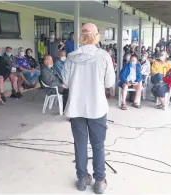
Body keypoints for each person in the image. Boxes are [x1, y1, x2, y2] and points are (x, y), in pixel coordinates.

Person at [62, 23, 115, 194]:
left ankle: (82, 179)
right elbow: (109, 83)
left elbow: (66, 82)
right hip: (97, 107)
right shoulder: (104, 56)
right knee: (98, 144)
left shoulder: (71, 57)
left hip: (76, 107)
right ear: (96, 36)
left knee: (80, 144)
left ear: (81, 37)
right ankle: (99, 181)